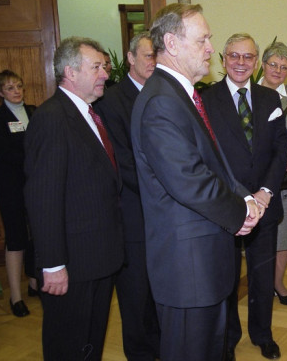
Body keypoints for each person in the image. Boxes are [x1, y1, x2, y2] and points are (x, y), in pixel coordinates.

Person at [130, 3, 261, 361]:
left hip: (204, 262)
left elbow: (213, 165)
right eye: (202, 39)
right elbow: (189, 180)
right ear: (171, 43)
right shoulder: (161, 101)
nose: (209, 48)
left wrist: (245, 197)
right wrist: (240, 212)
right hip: (187, 269)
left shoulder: (181, 94)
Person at [24, 37, 125, 360]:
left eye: (104, 67)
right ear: (69, 71)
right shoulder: (52, 118)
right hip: (71, 263)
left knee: (90, 341)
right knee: (67, 344)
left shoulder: (90, 114)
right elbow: (43, 198)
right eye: (96, 67)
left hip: (97, 257)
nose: (105, 74)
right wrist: (52, 265)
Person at [202, 33, 287, 361]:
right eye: (234, 56)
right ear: (223, 60)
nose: (241, 62)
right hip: (225, 205)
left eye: (248, 57)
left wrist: (265, 192)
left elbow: (281, 149)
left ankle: (262, 334)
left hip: (265, 205)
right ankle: (227, 337)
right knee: (225, 276)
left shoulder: (270, 100)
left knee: (262, 275)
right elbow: (206, 154)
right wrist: (239, 197)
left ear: (257, 62)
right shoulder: (206, 100)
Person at [95, 32, 160, 360]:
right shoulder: (111, 101)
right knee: (136, 299)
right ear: (130, 58)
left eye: (156, 55)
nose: (153, 61)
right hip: (134, 219)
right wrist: (170, 190)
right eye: (147, 55)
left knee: (160, 296)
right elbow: (123, 163)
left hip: (165, 220)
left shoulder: (164, 94)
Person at [0, 70, 38, 317]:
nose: (17, 91)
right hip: (10, 183)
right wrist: (33, 159)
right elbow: (5, 151)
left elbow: (42, 143)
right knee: (16, 235)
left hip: (35, 183)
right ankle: (15, 297)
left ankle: (34, 284)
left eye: (19, 86)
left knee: (37, 233)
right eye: (10, 88)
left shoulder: (34, 111)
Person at [258, 40, 287, 307]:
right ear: (262, 65)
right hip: (255, 179)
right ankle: (260, 282)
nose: (278, 70)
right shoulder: (246, 93)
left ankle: (277, 282)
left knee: (285, 234)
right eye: (273, 64)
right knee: (258, 235)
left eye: (284, 67)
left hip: (286, 178)